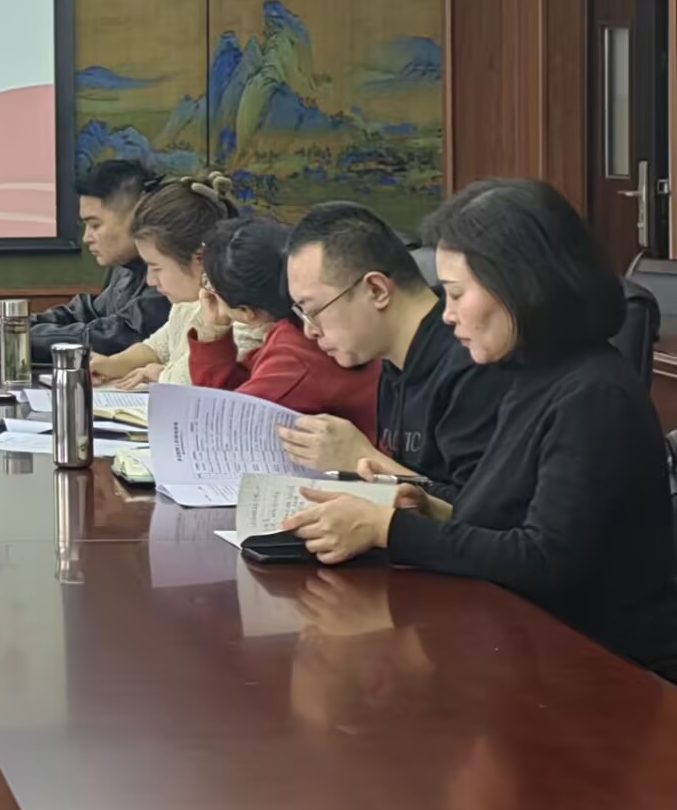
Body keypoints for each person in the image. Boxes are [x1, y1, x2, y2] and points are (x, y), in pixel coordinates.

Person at [283, 179, 677, 683]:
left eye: (455, 294)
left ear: (519, 284)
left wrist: (389, 529)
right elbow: (501, 511)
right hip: (527, 647)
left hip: (608, 671)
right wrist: (427, 503)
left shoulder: (593, 395)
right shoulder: (530, 375)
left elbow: (544, 559)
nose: (446, 316)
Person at [279, 201, 505, 494]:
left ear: (377, 290)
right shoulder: (393, 361)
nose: (310, 330)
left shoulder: (471, 360)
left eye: (313, 310)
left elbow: (483, 511)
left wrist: (360, 459)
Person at [187, 215, 379, 434]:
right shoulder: (313, 319)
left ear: (247, 312)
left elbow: (220, 426)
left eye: (209, 284)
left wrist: (211, 331)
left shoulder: (296, 355)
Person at [0, 159, 171, 368]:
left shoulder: (171, 274)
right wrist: (17, 326)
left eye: (95, 225)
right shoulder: (126, 268)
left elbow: (116, 337)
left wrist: (18, 338)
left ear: (139, 218)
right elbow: (86, 313)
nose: (86, 238)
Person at [91, 173, 260, 390]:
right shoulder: (186, 306)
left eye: (156, 267)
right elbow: (156, 348)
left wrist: (160, 373)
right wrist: (110, 364)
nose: (150, 280)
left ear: (200, 259)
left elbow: (192, 379)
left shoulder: (243, 314)